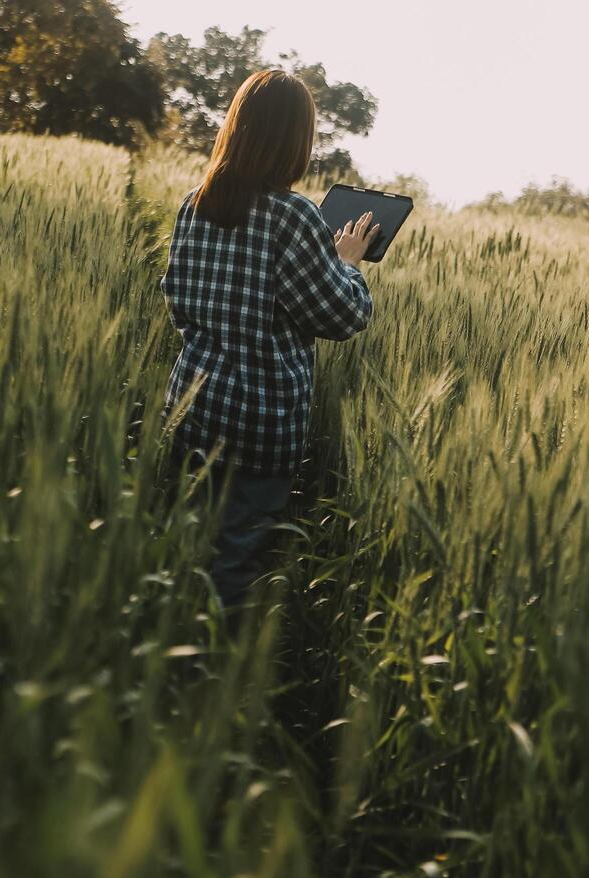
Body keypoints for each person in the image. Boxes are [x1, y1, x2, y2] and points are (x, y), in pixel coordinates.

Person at [160, 68, 380, 611]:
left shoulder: (195, 203)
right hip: (260, 425)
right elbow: (343, 316)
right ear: (294, 142)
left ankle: (170, 653)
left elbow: (177, 299)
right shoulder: (294, 216)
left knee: (182, 549)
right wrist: (346, 261)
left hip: (192, 406)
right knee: (236, 562)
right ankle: (215, 674)